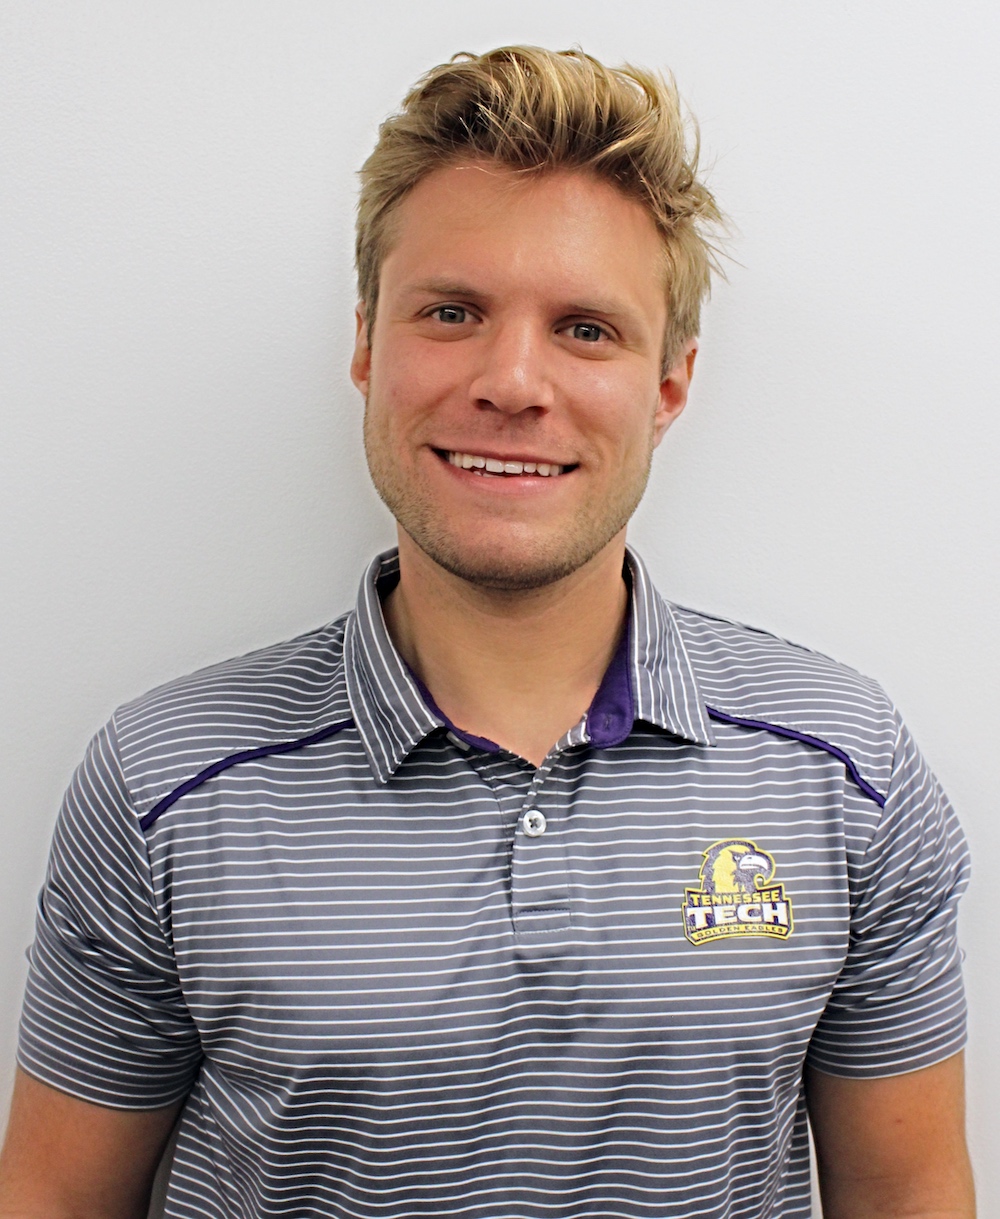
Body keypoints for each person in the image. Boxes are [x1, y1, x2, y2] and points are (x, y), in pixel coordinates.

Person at [0, 45, 974, 1219]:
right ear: (368, 346)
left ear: (669, 387)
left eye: (586, 329)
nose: (512, 382)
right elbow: (53, 1196)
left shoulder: (843, 769)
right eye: (452, 312)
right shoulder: (165, 781)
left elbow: (909, 1193)